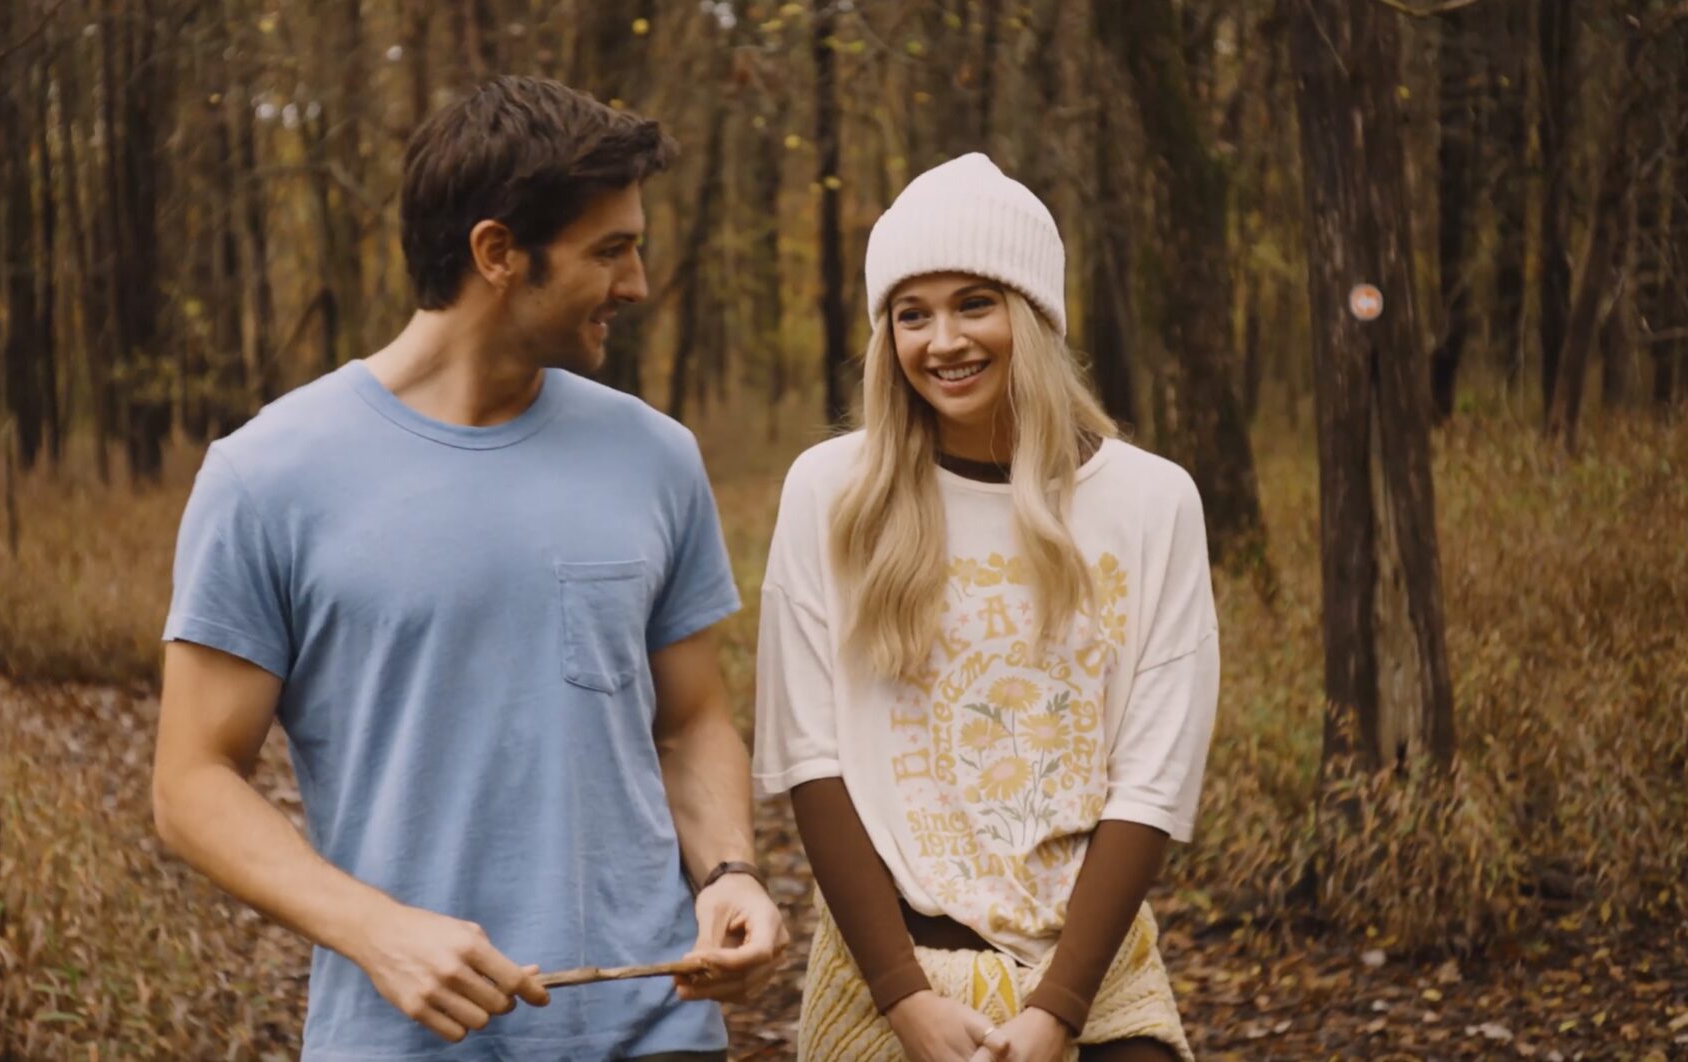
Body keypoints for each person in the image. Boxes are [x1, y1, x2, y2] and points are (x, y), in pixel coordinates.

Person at [151, 75, 784, 1060]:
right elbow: (192, 782)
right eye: (609, 251)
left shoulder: (656, 456)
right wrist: (375, 930)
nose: (636, 284)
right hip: (402, 1038)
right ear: (497, 253)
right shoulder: (267, 476)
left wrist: (730, 872)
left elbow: (692, 719)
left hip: (651, 1026)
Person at [753, 153, 1218, 1062]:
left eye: (975, 303)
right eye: (911, 314)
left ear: (1033, 316)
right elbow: (812, 758)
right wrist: (903, 998)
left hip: (1093, 971)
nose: (943, 341)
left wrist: (1058, 1010)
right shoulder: (831, 492)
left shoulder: (1152, 501)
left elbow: (1153, 781)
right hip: (887, 971)